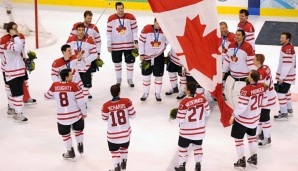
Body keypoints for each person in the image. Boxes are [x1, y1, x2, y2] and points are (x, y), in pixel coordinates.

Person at [44, 69, 87, 159]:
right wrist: (84, 113)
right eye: (71, 75)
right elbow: (81, 101)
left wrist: (56, 96)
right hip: (76, 115)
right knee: (78, 131)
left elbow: (46, 97)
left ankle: (70, 151)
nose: (73, 76)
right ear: (66, 77)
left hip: (62, 117)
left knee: (65, 135)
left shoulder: (55, 85)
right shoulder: (74, 85)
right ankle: (80, 144)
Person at [229, 70, 267, 169]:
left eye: (249, 75)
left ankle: (241, 161)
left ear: (251, 78)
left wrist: (233, 115)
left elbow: (242, 107)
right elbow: (265, 100)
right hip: (254, 120)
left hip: (243, 120)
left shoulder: (245, 90)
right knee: (251, 139)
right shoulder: (263, 87)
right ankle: (254, 158)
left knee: (238, 140)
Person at [174, 82, 210, 171]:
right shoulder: (202, 99)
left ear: (189, 91)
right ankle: (198, 165)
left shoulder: (184, 102)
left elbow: (179, 119)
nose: (184, 89)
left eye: (185, 88)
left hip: (186, 131)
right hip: (200, 130)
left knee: (183, 148)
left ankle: (182, 166)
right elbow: (208, 112)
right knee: (198, 147)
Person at [101, 84, 136, 171]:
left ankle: (117, 167)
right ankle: (124, 163)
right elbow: (133, 115)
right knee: (124, 148)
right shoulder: (127, 101)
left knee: (115, 152)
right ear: (119, 92)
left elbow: (104, 118)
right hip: (125, 134)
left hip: (113, 135)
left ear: (111, 93)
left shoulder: (106, 105)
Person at [69, 10, 101, 99]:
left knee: (89, 72)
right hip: (77, 56)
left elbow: (98, 41)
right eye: (88, 18)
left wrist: (98, 52)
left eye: (91, 18)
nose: (90, 20)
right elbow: (70, 40)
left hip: (89, 52)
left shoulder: (94, 27)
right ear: (84, 18)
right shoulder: (77, 26)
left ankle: (87, 90)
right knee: (76, 75)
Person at [0, 21, 28, 121]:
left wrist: (26, 59)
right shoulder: (5, 41)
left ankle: (15, 110)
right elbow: (18, 46)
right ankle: (17, 112)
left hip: (17, 70)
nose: (17, 31)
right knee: (16, 93)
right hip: (11, 72)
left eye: (17, 28)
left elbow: (21, 49)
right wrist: (16, 36)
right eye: (14, 29)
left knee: (17, 93)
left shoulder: (16, 39)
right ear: (10, 30)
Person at [106, 2, 138, 87]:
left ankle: (130, 79)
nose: (120, 10)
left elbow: (135, 31)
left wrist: (136, 42)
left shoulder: (131, 17)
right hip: (116, 46)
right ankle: (118, 79)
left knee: (130, 63)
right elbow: (108, 33)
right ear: (116, 9)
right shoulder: (111, 18)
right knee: (117, 63)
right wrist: (109, 45)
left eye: (122, 8)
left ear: (124, 8)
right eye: (119, 9)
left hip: (129, 45)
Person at [223, 29, 256, 109]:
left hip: (243, 77)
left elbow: (251, 62)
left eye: (239, 35)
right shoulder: (231, 46)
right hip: (232, 76)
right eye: (236, 34)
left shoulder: (248, 46)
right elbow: (227, 60)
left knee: (238, 97)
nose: (236, 36)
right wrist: (223, 72)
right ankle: (234, 112)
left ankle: (240, 114)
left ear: (243, 36)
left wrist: (253, 76)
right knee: (229, 95)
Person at [139, 18, 168, 102]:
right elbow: (141, 42)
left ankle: (157, 93)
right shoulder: (147, 29)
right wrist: (141, 54)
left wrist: (165, 44)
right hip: (147, 57)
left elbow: (170, 38)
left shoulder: (164, 29)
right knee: (146, 76)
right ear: (154, 22)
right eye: (158, 23)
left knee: (158, 76)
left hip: (159, 56)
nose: (159, 25)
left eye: (160, 23)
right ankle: (145, 93)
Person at [67, 23, 97, 102]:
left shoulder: (90, 39)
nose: (81, 32)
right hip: (74, 68)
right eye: (79, 30)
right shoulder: (71, 39)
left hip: (85, 68)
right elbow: (66, 52)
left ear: (85, 31)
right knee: (74, 86)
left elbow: (94, 54)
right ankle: (74, 102)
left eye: (82, 30)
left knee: (85, 87)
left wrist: (84, 59)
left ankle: (84, 103)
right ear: (76, 31)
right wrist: (74, 57)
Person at [253, 54, 276, 146]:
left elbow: (263, 88)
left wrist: (263, 100)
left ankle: (267, 138)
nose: (253, 60)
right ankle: (261, 135)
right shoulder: (266, 67)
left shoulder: (260, 73)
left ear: (258, 61)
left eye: (254, 59)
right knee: (260, 118)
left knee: (264, 119)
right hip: (268, 97)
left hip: (265, 99)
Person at [274, 32, 296, 119]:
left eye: (283, 38)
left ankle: (284, 113)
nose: (280, 39)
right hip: (288, 76)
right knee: (286, 92)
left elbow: (287, 65)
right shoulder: (288, 46)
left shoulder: (287, 49)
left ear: (288, 39)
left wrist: (282, 77)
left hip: (286, 76)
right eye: (280, 37)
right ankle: (289, 109)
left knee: (281, 93)